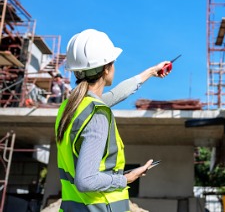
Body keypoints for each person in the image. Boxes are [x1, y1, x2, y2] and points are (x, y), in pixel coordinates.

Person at [55, 29, 171, 211]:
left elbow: (116, 94)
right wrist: (127, 178)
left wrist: (150, 72)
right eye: (113, 62)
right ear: (106, 68)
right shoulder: (97, 115)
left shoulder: (70, 108)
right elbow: (86, 181)